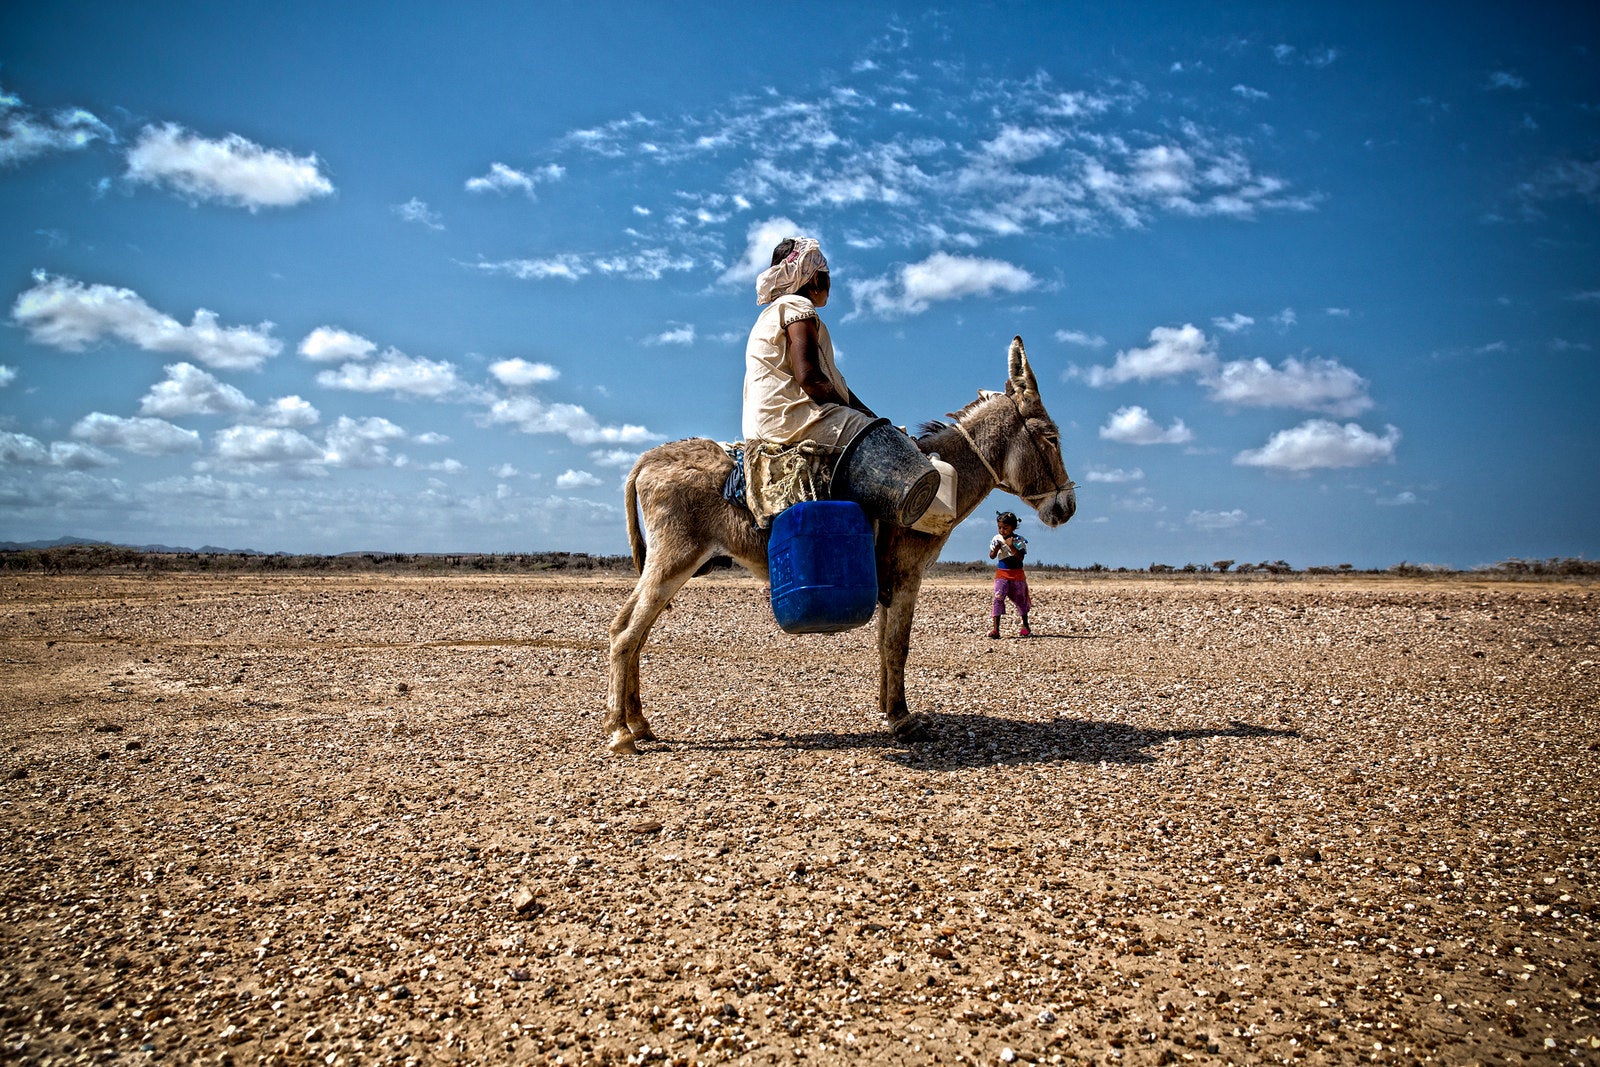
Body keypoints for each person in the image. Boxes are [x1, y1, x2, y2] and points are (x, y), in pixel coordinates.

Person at [743, 237, 877, 449]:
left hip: (760, 425)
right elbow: (810, 378)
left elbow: (834, 385)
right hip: (789, 422)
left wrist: (868, 414)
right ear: (815, 279)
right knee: (881, 440)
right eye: (826, 273)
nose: (829, 281)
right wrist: (860, 418)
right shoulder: (797, 306)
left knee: (873, 425)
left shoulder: (772, 313)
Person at [988, 511, 1031, 638]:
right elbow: (991, 556)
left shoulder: (1019, 540)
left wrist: (1011, 546)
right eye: (1000, 527)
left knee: (1020, 600)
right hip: (1002, 574)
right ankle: (996, 629)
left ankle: (1025, 626)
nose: (1002, 530)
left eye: (1005, 528)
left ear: (1013, 527)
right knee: (998, 597)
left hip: (1017, 575)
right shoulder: (997, 539)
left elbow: (1020, 557)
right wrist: (995, 549)